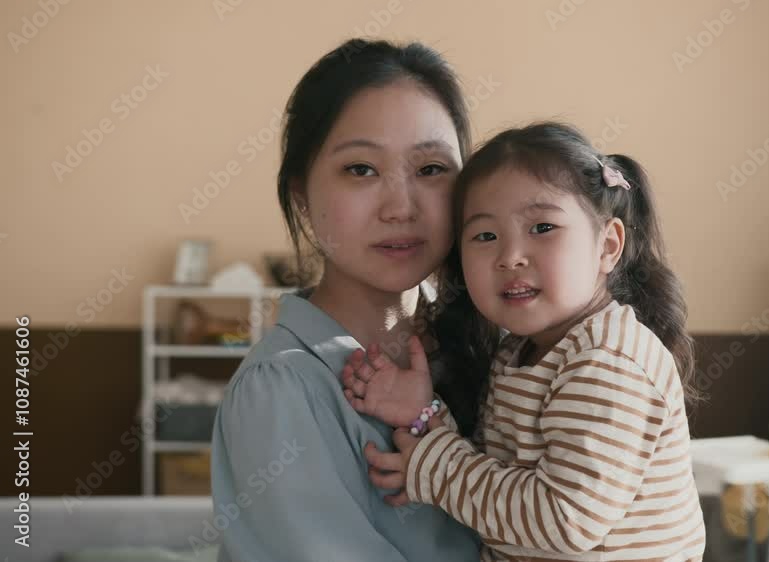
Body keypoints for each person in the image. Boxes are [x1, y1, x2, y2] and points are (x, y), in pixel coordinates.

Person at [342, 122, 707, 561]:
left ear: (607, 246)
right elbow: (497, 475)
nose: (510, 256)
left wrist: (432, 468)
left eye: (542, 228)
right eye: (485, 236)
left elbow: (565, 520)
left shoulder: (608, 360)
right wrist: (423, 417)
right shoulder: (519, 351)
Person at [210, 38, 483, 562]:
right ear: (301, 199)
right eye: (361, 169)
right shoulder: (282, 388)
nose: (401, 207)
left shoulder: (488, 343)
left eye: (430, 169)